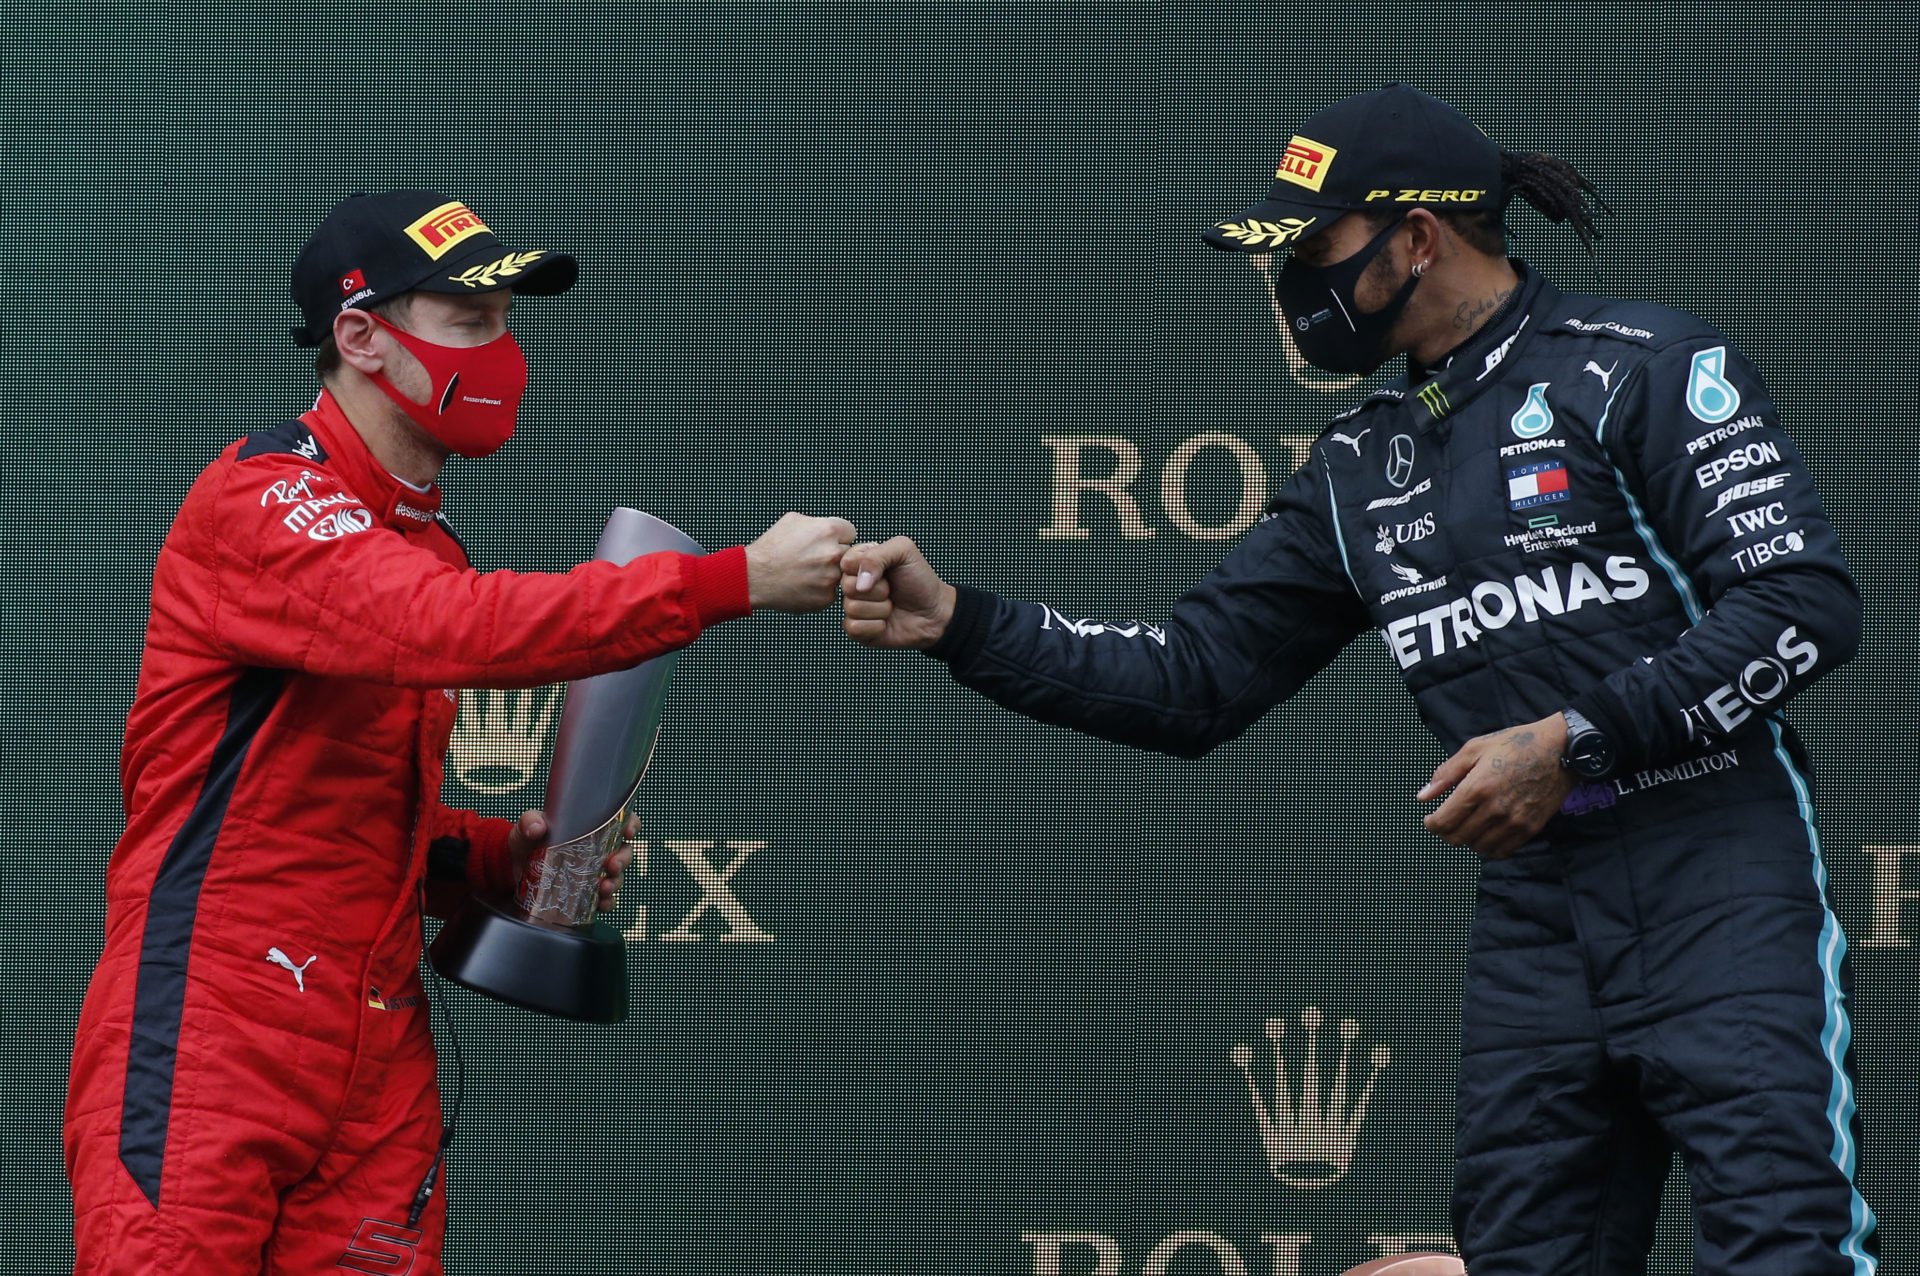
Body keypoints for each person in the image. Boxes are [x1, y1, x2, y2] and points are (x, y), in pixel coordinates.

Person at [841, 85, 1875, 1274]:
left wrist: (1573, 742)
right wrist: (962, 622)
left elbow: (1801, 605)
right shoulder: (1357, 463)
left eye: (1309, 248)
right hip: (1538, 921)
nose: (1287, 287)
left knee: (1782, 1247)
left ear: (1418, 236)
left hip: (1716, 879)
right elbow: (1190, 680)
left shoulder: (1637, 366)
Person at [64, 189, 855, 1275]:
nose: (504, 352)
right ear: (360, 338)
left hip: (378, 1046)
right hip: (217, 1024)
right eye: (470, 321)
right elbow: (444, 628)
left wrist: (497, 862)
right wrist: (735, 581)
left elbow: (335, 813)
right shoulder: (260, 498)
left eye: (508, 323)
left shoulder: (425, 543)